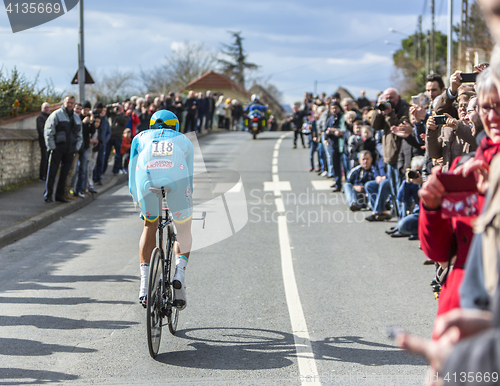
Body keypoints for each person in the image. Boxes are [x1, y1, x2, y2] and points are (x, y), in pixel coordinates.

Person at [128, 110, 194, 309]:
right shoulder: (184, 140)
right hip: (176, 179)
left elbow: (131, 177)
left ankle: (144, 286)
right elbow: (189, 178)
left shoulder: (139, 138)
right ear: (174, 125)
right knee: (183, 227)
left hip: (146, 181)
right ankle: (179, 274)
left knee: (150, 225)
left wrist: (140, 203)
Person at [43, 95, 83, 203]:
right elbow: (48, 131)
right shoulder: (56, 115)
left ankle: (59, 195)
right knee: (52, 172)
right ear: (64, 102)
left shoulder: (76, 117)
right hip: (58, 148)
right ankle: (48, 195)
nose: (69, 105)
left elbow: (79, 134)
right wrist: (51, 147)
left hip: (70, 149)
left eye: (72, 103)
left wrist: (77, 147)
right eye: (68, 102)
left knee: (64, 174)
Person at [36, 102, 51, 181]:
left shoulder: (51, 117)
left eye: (48, 107)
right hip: (44, 142)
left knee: (49, 159)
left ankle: (47, 175)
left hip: (50, 142)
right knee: (44, 158)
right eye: (45, 107)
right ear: (42, 109)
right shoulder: (40, 118)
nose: (47, 109)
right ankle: (42, 176)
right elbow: (41, 130)